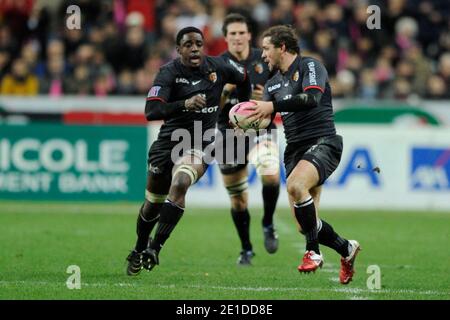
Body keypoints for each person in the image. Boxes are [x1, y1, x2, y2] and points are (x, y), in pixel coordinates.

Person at [126, 26, 251, 275]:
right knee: (152, 205)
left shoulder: (220, 66)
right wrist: (185, 104)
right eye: (188, 44)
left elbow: (244, 79)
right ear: (178, 49)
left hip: (201, 142)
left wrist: (240, 116)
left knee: (181, 182)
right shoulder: (168, 73)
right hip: (168, 143)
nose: (194, 48)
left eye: (198, 43)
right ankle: (140, 247)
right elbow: (151, 112)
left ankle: (155, 247)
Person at [247, 25, 360, 284]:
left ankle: (314, 252)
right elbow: (264, 120)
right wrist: (245, 120)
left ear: (282, 47)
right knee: (305, 225)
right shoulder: (272, 83)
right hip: (295, 150)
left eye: (266, 49)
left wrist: (271, 105)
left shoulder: (310, 66)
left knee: (297, 185)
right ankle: (346, 249)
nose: (263, 55)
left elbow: (311, 99)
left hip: (323, 143)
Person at [216, 13, 281, 266]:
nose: (238, 37)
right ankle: (246, 248)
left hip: (260, 126)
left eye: (242, 32)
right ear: (225, 37)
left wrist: (266, 98)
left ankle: (268, 222)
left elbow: (281, 93)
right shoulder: (216, 65)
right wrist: (225, 91)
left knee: (271, 173)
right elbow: (210, 106)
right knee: (239, 199)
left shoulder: (264, 59)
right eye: (232, 33)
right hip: (228, 131)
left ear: (249, 35)